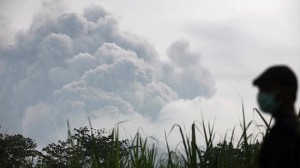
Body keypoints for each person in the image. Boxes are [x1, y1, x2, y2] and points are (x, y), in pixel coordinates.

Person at [253, 65, 300, 168]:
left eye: (268, 89)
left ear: (288, 92)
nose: (262, 95)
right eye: (261, 90)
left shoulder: (284, 133)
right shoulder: (287, 128)